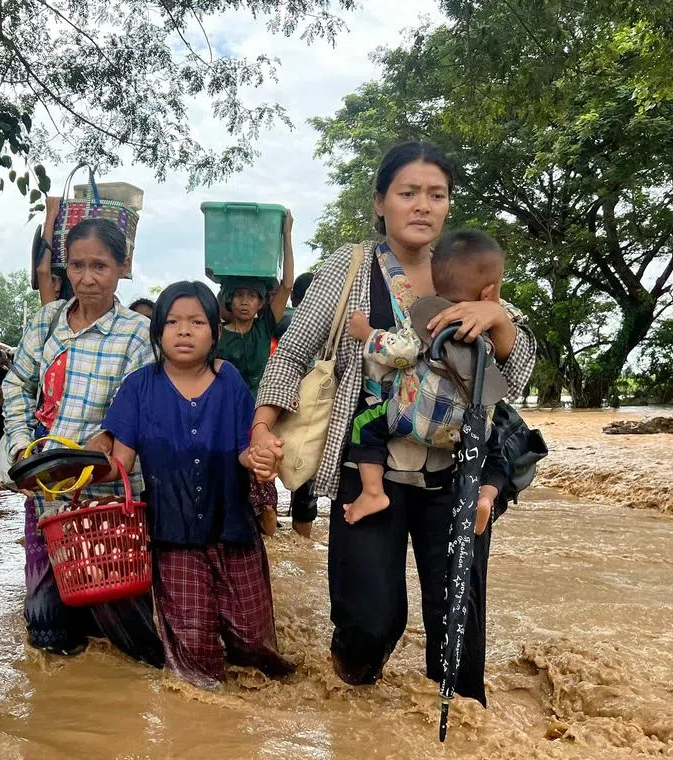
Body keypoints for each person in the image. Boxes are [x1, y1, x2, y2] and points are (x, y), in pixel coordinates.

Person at [250, 142, 536, 706]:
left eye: (437, 194)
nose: (423, 205)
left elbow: (516, 375)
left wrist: (498, 319)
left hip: (457, 471)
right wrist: (262, 428)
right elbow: (293, 353)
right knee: (369, 621)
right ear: (380, 202)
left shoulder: (469, 265)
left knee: (458, 623)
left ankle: (459, 726)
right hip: (368, 460)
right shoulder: (349, 267)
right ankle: (355, 712)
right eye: (408, 193)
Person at [101, 281, 294, 689]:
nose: (184, 331)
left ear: (215, 332)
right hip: (173, 536)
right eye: (172, 321)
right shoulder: (138, 386)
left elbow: (244, 449)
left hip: (234, 528)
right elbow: (121, 462)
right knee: (194, 661)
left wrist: (260, 457)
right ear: (157, 331)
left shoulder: (231, 382)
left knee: (254, 644)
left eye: (196, 322)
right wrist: (75, 470)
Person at [3, 217, 163, 665]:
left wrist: (109, 437)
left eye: (100, 265)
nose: (87, 277)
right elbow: (16, 384)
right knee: (46, 628)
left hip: (106, 497)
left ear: (122, 267)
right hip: (45, 490)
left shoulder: (135, 334)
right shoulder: (47, 322)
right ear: (64, 267)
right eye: (76, 265)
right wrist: (20, 449)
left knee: (127, 626)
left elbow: (134, 407)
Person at [343, 229, 510, 525]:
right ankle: (485, 496)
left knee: (364, 425)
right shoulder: (486, 327)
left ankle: (372, 492)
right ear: (489, 293)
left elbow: (402, 351)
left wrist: (367, 334)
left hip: (415, 418)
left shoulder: (429, 319)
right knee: (495, 446)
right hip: (468, 429)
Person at [217, 210, 295, 536]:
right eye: (239, 296)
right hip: (227, 415)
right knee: (229, 483)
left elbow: (288, 283)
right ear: (228, 300)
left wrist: (286, 234)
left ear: (262, 302)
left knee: (265, 490)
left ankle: (268, 546)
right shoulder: (217, 332)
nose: (245, 302)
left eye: (252, 296)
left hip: (263, 414)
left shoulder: (265, 326)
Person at [279, 270, 318, 537]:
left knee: (266, 473)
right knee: (306, 480)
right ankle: (303, 538)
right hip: (313, 411)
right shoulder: (328, 323)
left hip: (276, 406)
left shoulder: (283, 320)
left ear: (294, 296)